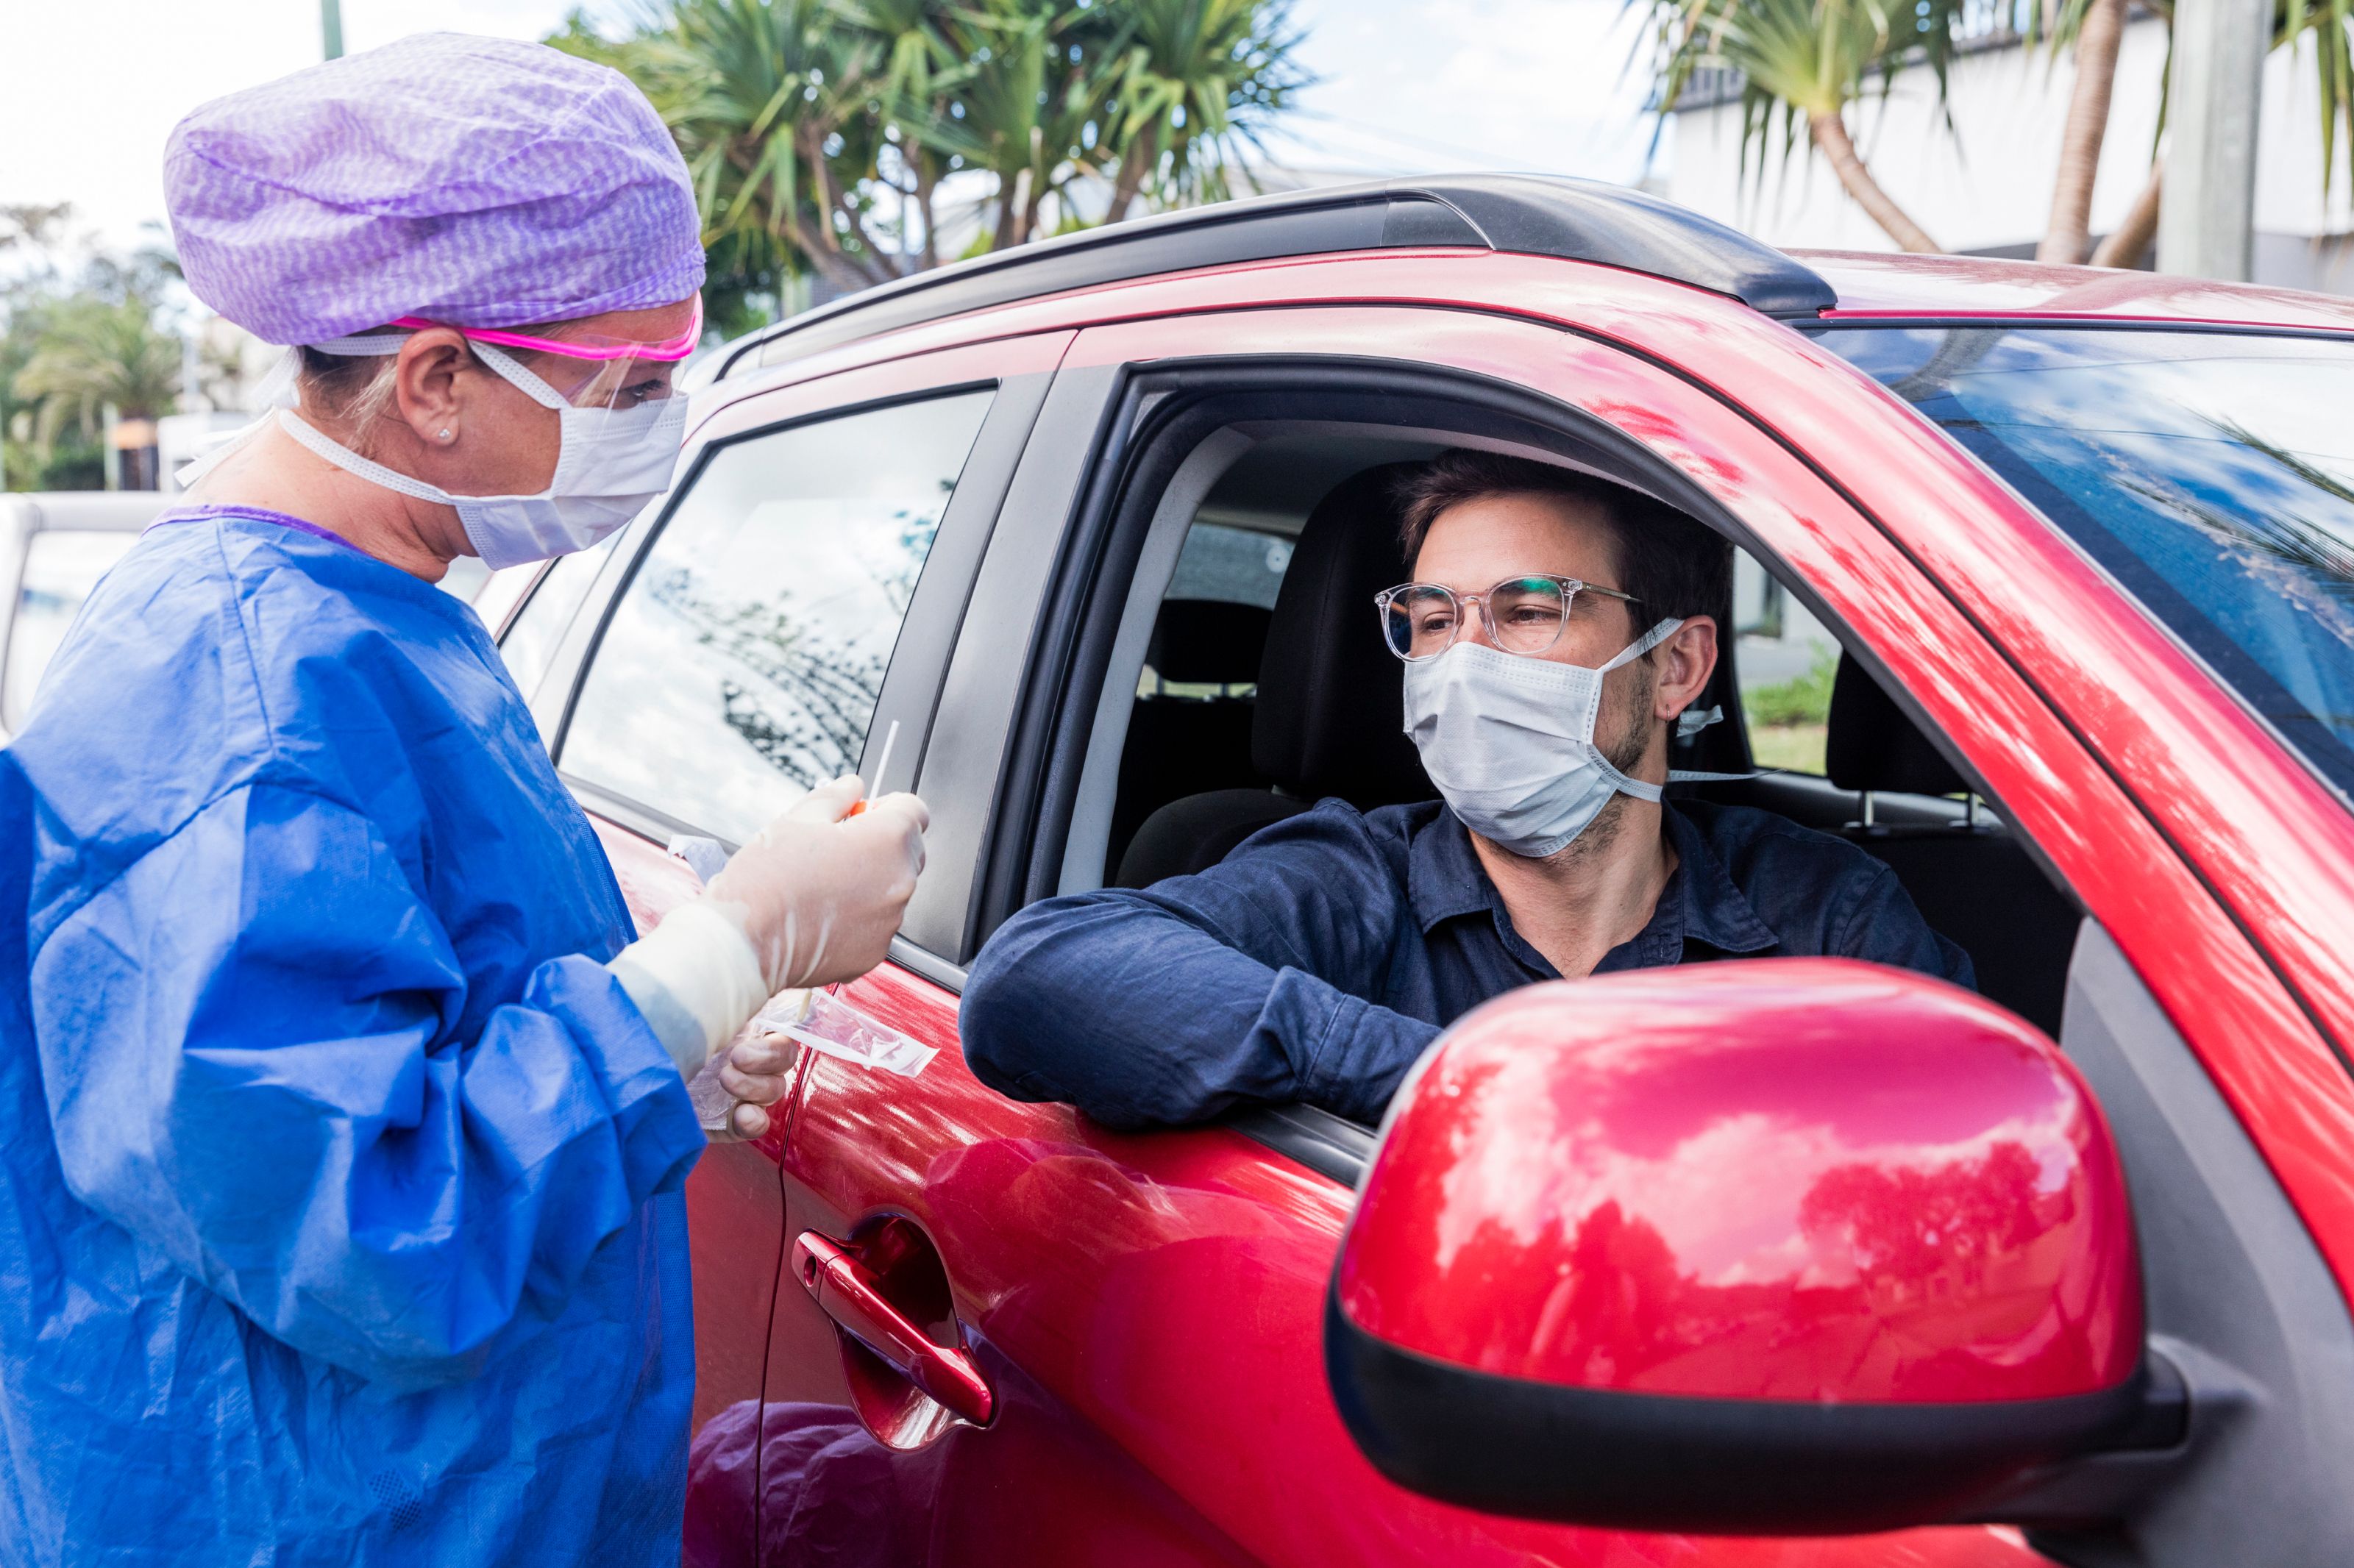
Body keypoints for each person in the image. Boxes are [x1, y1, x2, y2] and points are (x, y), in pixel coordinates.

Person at [0, 35, 927, 1566]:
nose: (655, 419)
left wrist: (660, 1048)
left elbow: (385, 1031)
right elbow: (364, 1229)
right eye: (627, 382)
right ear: (435, 379)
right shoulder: (233, 691)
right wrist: (724, 960)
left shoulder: (376, 612)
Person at [961, 449, 1972, 1130]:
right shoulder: (1354, 876)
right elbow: (1033, 977)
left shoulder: (1825, 910)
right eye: (1435, 620)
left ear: (1677, 668)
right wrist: (1460, 1079)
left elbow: (1959, 1154)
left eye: (1530, 611)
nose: (1463, 663)